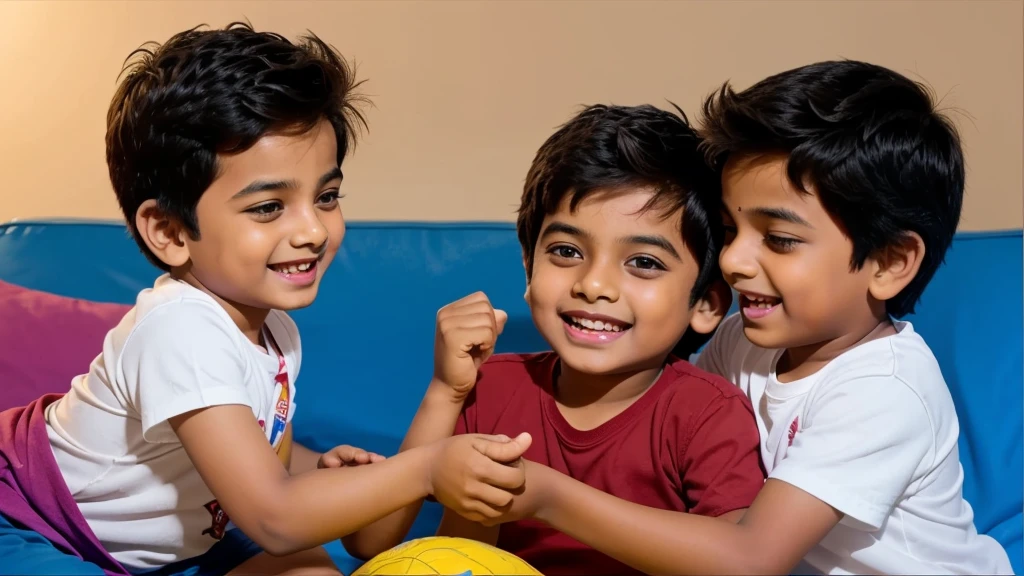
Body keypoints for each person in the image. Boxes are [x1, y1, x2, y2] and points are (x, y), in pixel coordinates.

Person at [437, 60, 1014, 575]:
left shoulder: (884, 391)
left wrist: (546, 495)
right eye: (732, 231)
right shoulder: (747, 339)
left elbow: (751, 558)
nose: (734, 262)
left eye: (780, 239)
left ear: (889, 263)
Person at [2, 22, 531, 575]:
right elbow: (276, 519)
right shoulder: (179, 329)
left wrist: (321, 475)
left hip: (194, 538)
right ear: (170, 232)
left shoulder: (274, 330)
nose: (313, 231)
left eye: (326, 196)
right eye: (268, 207)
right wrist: (425, 472)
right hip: (37, 524)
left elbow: (288, 482)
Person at [343, 103, 767, 575]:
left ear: (706, 304)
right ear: (528, 268)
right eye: (566, 251)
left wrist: (549, 499)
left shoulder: (705, 412)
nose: (594, 284)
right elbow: (370, 543)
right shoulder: (491, 386)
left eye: (644, 262)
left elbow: (737, 561)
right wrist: (447, 390)